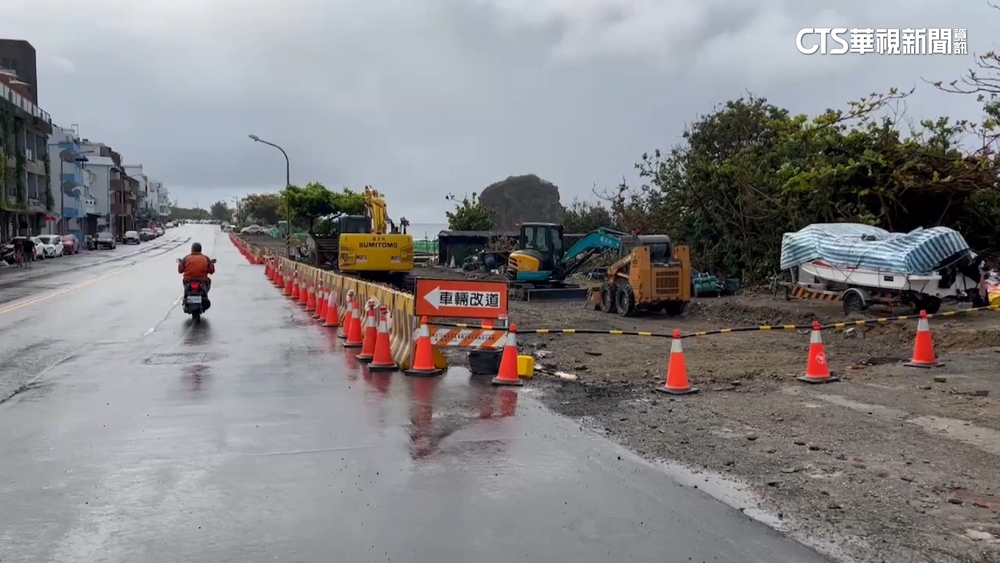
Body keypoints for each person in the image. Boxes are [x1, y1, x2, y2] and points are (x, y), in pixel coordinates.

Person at [178, 242, 215, 309]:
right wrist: (211, 264)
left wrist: (180, 263)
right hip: (202, 280)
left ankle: (186, 296)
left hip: (188, 280)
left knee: (185, 284)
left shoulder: (186, 258)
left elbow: (180, 271)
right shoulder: (205, 258)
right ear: (200, 250)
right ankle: (205, 294)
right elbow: (211, 271)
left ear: (192, 249)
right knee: (209, 281)